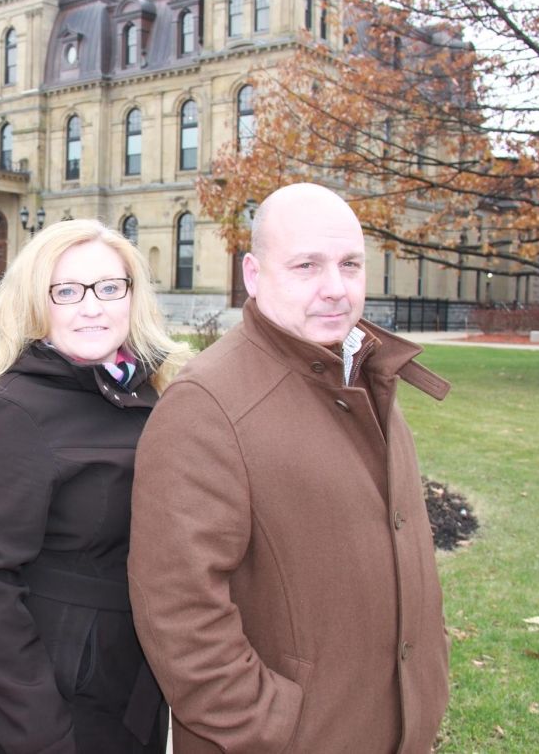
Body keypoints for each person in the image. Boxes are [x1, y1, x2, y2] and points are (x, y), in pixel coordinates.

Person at [129, 183, 451, 753]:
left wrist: (426, 684)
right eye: (306, 265)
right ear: (254, 275)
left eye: (350, 264)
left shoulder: (364, 371)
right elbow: (177, 610)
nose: (336, 288)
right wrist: (273, 727)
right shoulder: (208, 404)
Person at [0, 219, 192, 754]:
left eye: (108, 287)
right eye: (68, 291)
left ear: (131, 296)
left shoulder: (150, 398)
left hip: (127, 685)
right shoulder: (8, 410)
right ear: (37, 302)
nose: (92, 307)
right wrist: (41, 731)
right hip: (40, 698)